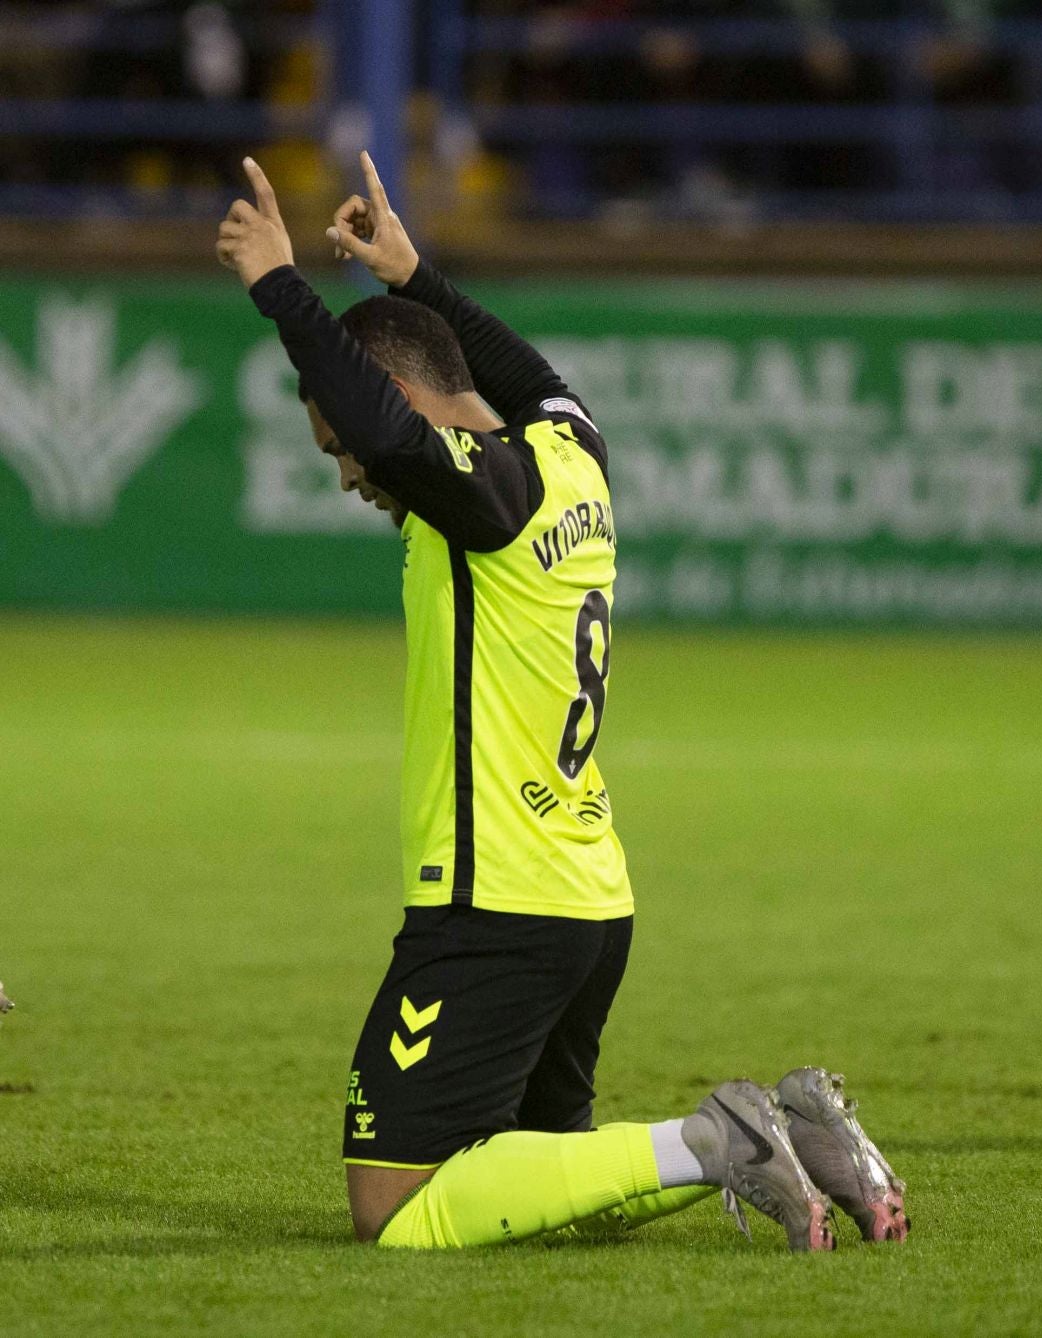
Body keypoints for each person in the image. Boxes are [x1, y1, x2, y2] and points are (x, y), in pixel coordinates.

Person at [216, 152, 908, 1248]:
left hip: (498, 906)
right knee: (560, 1194)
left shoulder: (485, 497)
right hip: (591, 899)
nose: (349, 475)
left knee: (392, 1206)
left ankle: (716, 1140)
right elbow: (529, 373)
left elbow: (396, 432)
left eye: (338, 446)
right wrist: (414, 277)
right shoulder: (571, 454)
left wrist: (280, 289)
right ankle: (804, 1142)